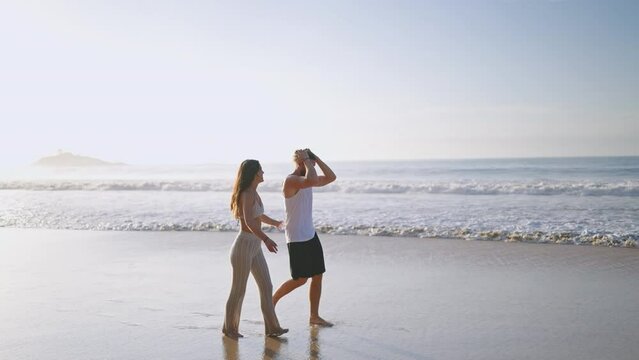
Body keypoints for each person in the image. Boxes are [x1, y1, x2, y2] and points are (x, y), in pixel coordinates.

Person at [223, 159, 288, 339]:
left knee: (266, 285)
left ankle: (272, 328)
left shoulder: (254, 192)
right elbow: (250, 222)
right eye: (261, 170)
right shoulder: (246, 193)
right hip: (244, 245)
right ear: (254, 174)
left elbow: (257, 215)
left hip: (254, 246)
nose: (263, 173)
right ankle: (230, 329)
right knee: (238, 289)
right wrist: (266, 239)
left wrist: (275, 223)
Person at [273, 149, 337, 327]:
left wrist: (316, 158)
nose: (314, 166)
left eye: (314, 163)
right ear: (300, 162)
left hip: (310, 233)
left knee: (318, 275)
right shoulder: (291, 180)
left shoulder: (308, 179)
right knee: (300, 279)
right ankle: (271, 301)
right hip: (297, 237)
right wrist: (307, 161)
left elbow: (331, 177)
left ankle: (314, 316)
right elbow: (312, 179)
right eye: (310, 163)